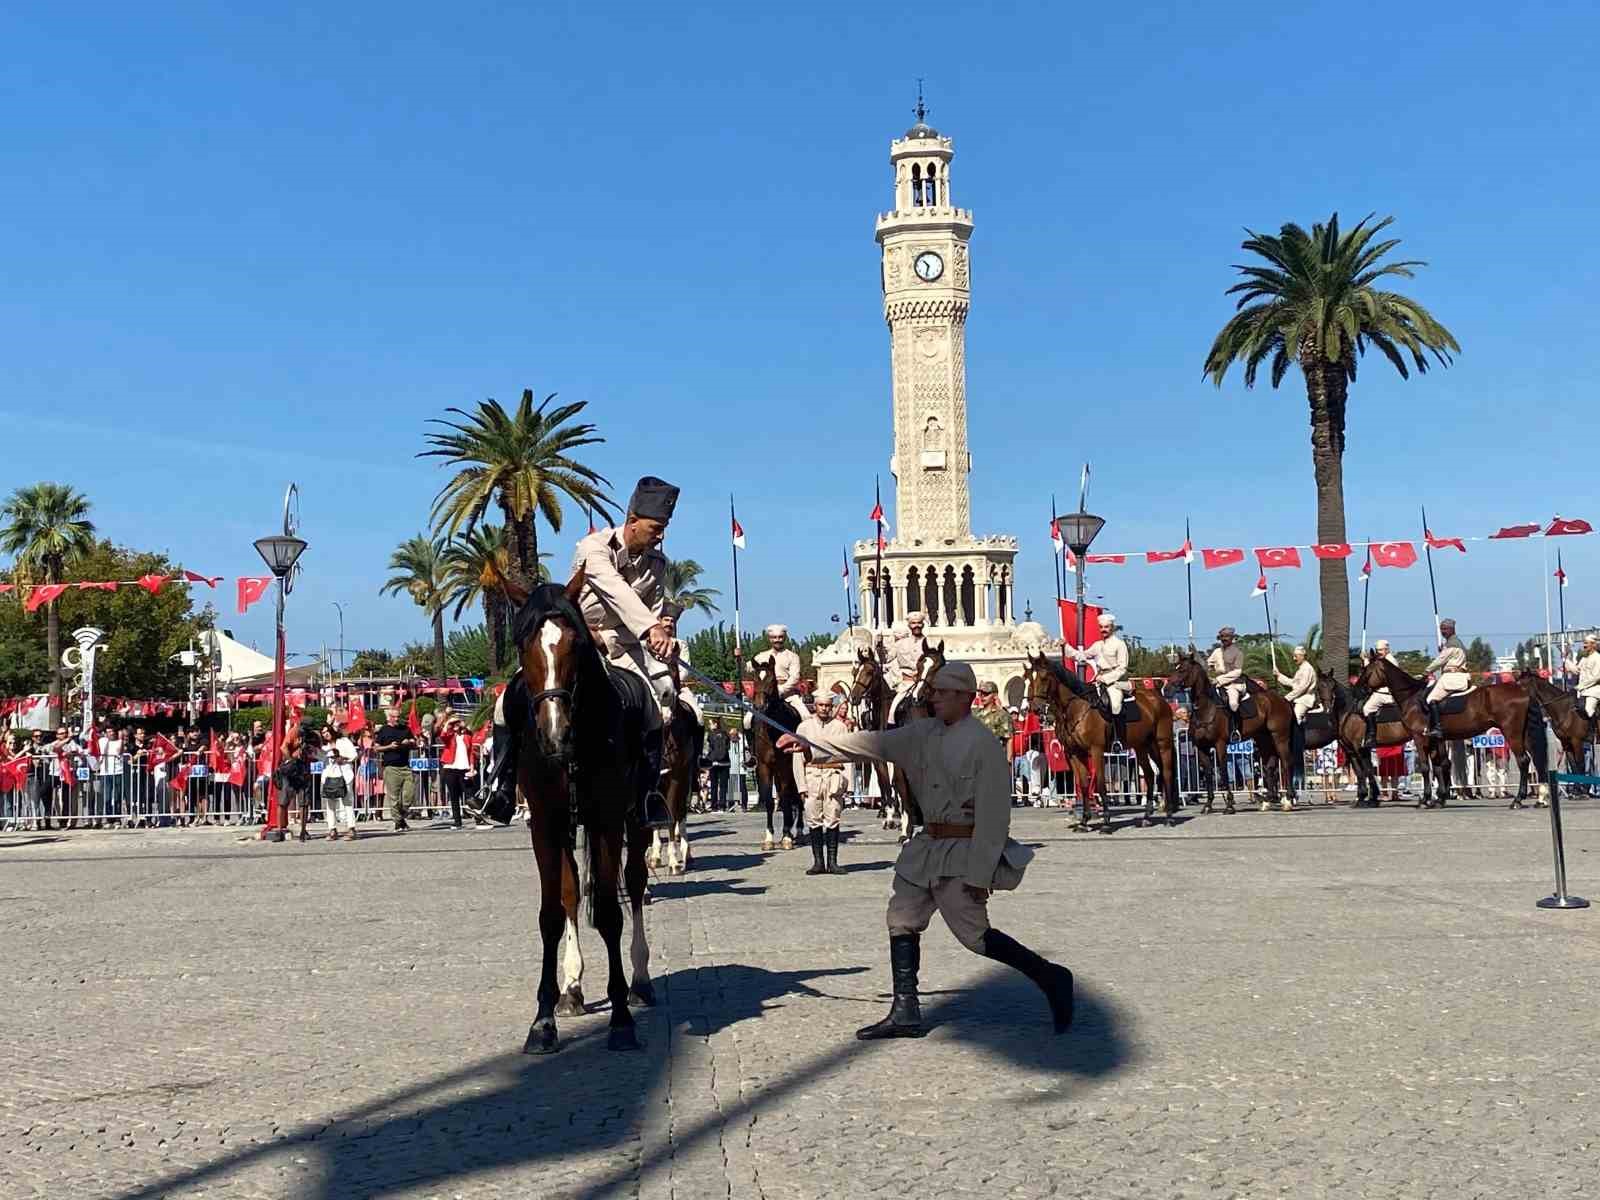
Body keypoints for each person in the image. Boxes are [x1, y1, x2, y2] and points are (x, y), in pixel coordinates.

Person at [778, 659, 1073, 1040]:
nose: (934, 698)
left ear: (965, 697)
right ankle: (905, 1011)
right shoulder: (920, 733)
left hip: (962, 852)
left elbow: (994, 818)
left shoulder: (984, 745)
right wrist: (812, 743)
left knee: (975, 937)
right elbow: (872, 743)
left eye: (943, 693)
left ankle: (1051, 977)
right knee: (901, 918)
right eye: (934, 691)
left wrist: (980, 875)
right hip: (926, 847)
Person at [474, 475, 680, 831]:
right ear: (632, 521)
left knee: (660, 702)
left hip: (627, 647)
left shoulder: (657, 563)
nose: (660, 534)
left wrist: (663, 627)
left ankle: (648, 795)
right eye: (655, 527)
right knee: (504, 705)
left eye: (663, 528)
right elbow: (616, 591)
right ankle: (500, 788)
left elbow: (651, 605)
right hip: (580, 643)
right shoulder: (593, 548)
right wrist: (649, 626)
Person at [786, 690, 851, 876]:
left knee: (833, 818)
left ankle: (833, 862)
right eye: (821, 705)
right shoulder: (804, 727)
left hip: (833, 776)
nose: (824, 709)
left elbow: (849, 756)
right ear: (815, 706)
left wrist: (848, 785)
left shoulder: (840, 727)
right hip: (812, 776)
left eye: (828, 706)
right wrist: (801, 786)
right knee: (813, 819)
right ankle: (818, 862)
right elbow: (797, 758)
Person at [1069, 612, 1132, 744]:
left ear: (1112, 628)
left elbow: (1122, 668)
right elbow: (1082, 656)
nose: (1103, 630)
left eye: (1106, 627)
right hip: (1098, 681)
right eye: (1101, 627)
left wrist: (1106, 678)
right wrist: (1066, 647)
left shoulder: (1120, 644)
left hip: (1116, 682)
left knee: (1115, 705)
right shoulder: (1097, 645)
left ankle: (1118, 740)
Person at [748, 624, 809, 724]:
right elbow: (748, 667)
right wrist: (739, 657)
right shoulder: (761, 656)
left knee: (806, 717)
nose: (777, 640)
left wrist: (781, 690)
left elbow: (795, 677)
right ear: (769, 639)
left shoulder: (793, 656)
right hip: (765, 696)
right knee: (747, 721)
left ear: (784, 638)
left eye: (780, 637)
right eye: (774, 637)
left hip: (788, 695)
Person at [657, 603, 703, 726]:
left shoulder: (681, 644)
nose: (669, 623)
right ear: (659, 621)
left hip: (679, 688)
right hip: (655, 687)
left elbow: (685, 670)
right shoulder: (651, 642)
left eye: (672, 621)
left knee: (699, 715)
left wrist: (672, 681)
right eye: (666, 620)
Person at [1424, 618, 1471, 736]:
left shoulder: (1452, 644)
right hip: (1459, 675)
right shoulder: (1456, 643)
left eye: (1445, 629)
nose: (1442, 632)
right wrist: (1443, 650)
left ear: (1452, 629)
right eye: (1441, 629)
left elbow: (1440, 661)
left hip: (1452, 677)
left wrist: (1426, 672)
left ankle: (1438, 728)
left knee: (1430, 699)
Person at [373, 706, 417, 832]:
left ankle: (401, 815)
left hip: (405, 766)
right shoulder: (383, 730)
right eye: (394, 717)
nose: (397, 719)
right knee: (394, 797)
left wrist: (409, 742)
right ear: (389, 718)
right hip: (391, 767)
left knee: (409, 794)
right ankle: (398, 822)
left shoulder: (405, 729)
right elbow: (376, 748)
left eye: (398, 717)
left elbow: (414, 743)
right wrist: (389, 747)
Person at [882, 612, 928, 721]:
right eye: (913, 623)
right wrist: (880, 647)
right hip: (906, 685)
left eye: (919, 623)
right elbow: (886, 658)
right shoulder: (900, 644)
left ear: (923, 625)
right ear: (909, 625)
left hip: (924, 684)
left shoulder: (930, 643)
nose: (916, 625)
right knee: (892, 712)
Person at [439, 715, 480, 829]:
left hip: (464, 769)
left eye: (458, 723)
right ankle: (458, 822)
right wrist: (449, 722)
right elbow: (443, 735)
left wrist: (471, 767)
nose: (456, 725)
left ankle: (479, 818)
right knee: (454, 796)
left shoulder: (467, 736)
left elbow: (471, 753)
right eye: (454, 723)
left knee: (469, 796)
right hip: (450, 768)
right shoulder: (450, 736)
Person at [321, 721, 359, 841]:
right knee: (330, 803)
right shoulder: (323, 747)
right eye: (323, 733)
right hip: (329, 776)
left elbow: (354, 755)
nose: (326, 734)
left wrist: (343, 758)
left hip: (345, 774)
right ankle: (332, 829)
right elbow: (318, 756)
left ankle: (351, 828)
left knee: (347, 801)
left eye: (327, 731)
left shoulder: (343, 741)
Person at [1207, 627, 1246, 740]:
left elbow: (1238, 672)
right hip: (1217, 683)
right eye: (1222, 638)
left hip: (1233, 684)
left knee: (1233, 704)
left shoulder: (1238, 653)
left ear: (1232, 638)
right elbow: (1208, 664)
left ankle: (1235, 730)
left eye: (1227, 637)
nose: (1224, 639)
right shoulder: (1216, 652)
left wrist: (1220, 680)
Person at [1362, 639, 1400, 749]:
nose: (1379, 652)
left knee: (1367, 709)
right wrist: (1365, 660)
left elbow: (1375, 675)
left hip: (1385, 692)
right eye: (1377, 650)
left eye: (1381, 650)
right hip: (1382, 690)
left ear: (1387, 649)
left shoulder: (1390, 661)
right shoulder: (1381, 660)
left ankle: (1371, 736)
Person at [1563, 633, 1600, 733]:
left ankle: (1591, 732)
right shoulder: (1584, 659)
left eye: (1586, 643)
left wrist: (1580, 686)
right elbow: (1576, 670)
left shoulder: (1598, 658)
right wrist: (1566, 659)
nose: (1584, 645)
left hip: (1594, 691)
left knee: (1588, 710)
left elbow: (1596, 677)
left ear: (1593, 645)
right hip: (1582, 691)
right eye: (1584, 643)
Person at [1274, 645, 1319, 722]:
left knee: (1295, 718)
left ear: (1302, 656)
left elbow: (1302, 688)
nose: (1294, 659)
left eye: (1296, 656)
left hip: (1304, 700)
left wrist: (1286, 698)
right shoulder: (1301, 668)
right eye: (1293, 656)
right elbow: (1293, 683)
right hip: (1297, 699)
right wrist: (1279, 675)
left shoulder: (1307, 669)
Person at [703, 722, 731, 812]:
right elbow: (728, 747)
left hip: (713, 762)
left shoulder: (710, 735)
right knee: (723, 786)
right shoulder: (726, 734)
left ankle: (714, 806)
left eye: (710, 723)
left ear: (715, 724)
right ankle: (722, 806)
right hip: (725, 762)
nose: (709, 725)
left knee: (714, 786)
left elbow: (709, 748)